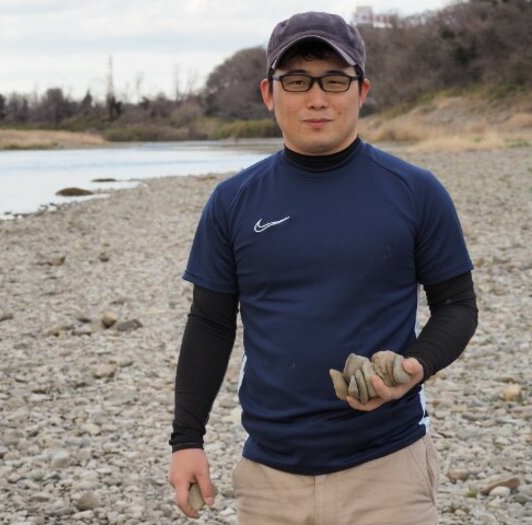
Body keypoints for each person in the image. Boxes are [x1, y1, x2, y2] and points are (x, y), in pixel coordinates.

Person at [168, 11, 478, 525]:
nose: (317, 98)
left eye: (335, 80)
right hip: (270, 475)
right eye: (297, 81)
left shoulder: (415, 191)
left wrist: (414, 368)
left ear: (362, 90)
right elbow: (210, 323)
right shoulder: (233, 201)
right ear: (269, 93)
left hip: (389, 468)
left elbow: (458, 306)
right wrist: (187, 441)